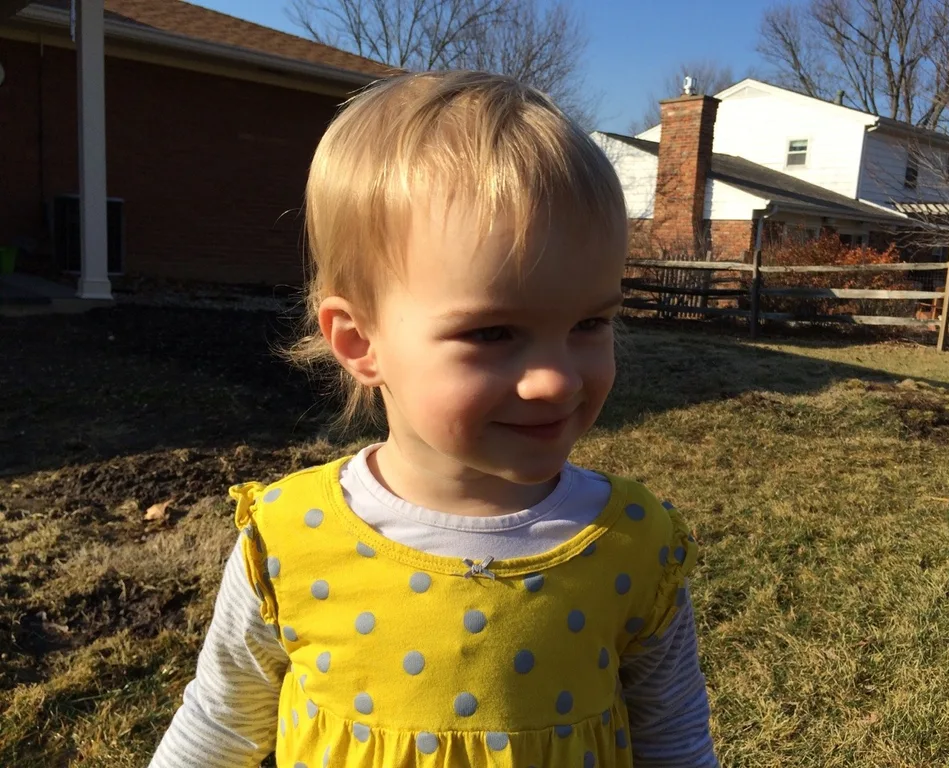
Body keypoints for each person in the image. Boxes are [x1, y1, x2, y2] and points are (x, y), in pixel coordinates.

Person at [149, 70, 718, 768]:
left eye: (589, 323)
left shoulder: (632, 544)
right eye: (493, 333)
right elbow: (219, 726)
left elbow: (675, 741)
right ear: (360, 342)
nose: (557, 379)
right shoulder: (290, 541)